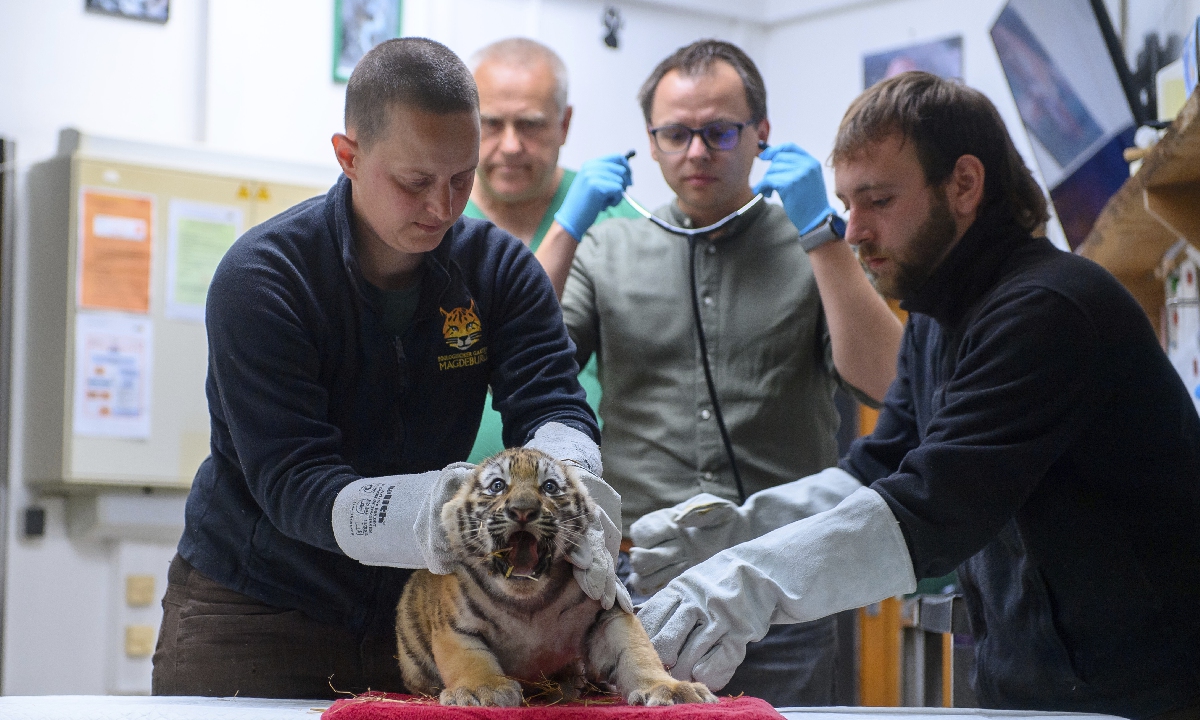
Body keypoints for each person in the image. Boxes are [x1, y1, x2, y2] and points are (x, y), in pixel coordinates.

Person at [634, 71, 1200, 720]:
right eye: (847, 204)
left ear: (963, 184)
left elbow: (935, 503)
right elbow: (880, 468)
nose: (852, 231)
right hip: (1037, 690)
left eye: (876, 200)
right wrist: (740, 530)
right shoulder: (938, 314)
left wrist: (750, 582)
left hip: (1143, 695)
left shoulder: (1049, 310)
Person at [152, 37, 627, 699]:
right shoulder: (265, 279)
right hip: (256, 613)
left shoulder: (499, 270)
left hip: (425, 618)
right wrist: (440, 515)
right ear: (348, 156)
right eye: (414, 182)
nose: (442, 206)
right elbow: (295, 483)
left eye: (463, 177)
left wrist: (566, 488)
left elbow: (555, 406)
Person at [535, 39, 905, 706]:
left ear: (761, 135)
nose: (698, 152)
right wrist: (565, 225)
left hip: (786, 578)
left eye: (720, 131)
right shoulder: (608, 248)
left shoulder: (814, 246)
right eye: (676, 133)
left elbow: (889, 384)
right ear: (649, 142)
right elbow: (523, 356)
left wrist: (822, 233)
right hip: (636, 589)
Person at [461, 37, 639, 464]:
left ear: (565, 122)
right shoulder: (430, 220)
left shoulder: (617, 221)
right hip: (441, 499)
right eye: (491, 123)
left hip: (583, 497)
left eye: (530, 124)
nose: (510, 145)